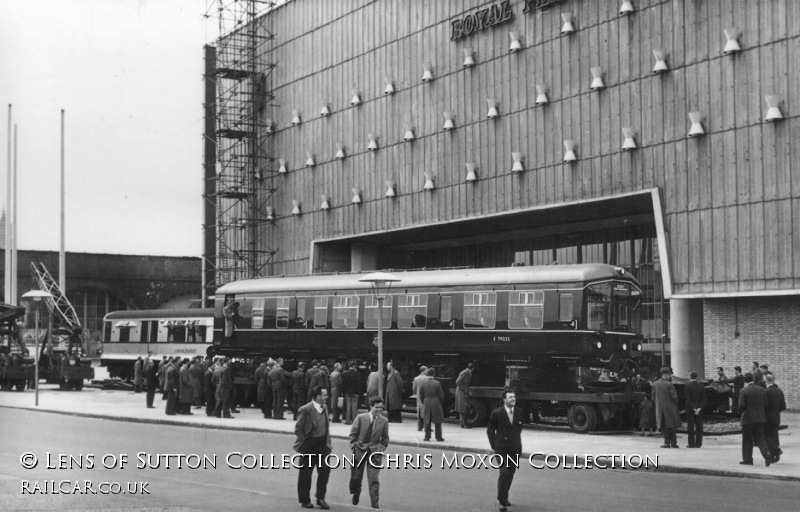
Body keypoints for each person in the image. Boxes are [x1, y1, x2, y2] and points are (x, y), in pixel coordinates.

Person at [294, 386, 332, 509]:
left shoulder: (325, 408)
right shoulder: (305, 409)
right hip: (309, 444)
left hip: (323, 444)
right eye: (324, 395)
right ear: (317, 396)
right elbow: (298, 429)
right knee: (306, 473)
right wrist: (305, 442)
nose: (327, 397)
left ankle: (320, 498)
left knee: (325, 471)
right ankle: (305, 500)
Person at [349, 396, 390, 508]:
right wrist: (354, 447)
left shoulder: (384, 421)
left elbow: (385, 439)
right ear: (371, 406)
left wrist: (380, 449)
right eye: (377, 407)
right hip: (359, 452)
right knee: (356, 478)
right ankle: (356, 494)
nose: (379, 410)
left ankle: (375, 504)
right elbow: (353, 435)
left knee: (373, 480)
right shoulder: (361, 418)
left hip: (374, 455)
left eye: (381, 408)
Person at [486, 389, 523, 512]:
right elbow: (490, 431)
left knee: (511, 473)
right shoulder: (497, 413)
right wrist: (494, 446)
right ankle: (502, 501)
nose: (513, 399)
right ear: (504, 399)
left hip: (515, 448)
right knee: (505, 472)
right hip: (502, 449)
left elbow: (518, 429)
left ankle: (505, 497)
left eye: (514, 397)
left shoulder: (519, 412)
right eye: (511, 397)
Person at [738, 372, 772, 466]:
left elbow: (741, 406)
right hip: (760, 418)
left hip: (748, 419)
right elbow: (766, 404)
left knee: (747, 440)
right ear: (752, 379)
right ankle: (766, 453)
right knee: (760, 438)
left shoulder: (743, 391)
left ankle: (747, 459)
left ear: (744, 380)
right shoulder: (762, 390)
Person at [652, 366, 680, 448]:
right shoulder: (669, 384)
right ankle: (674, 443)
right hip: (670, 407)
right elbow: (674, 396)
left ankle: (666, 443)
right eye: (669, 374)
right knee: (672, 426)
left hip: (660, 408)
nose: (670, 376)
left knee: (664, 426)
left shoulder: (655, 384)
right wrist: (676, 404)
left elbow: (653, 397)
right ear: (664, 375)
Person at [764, 373, 786, 463]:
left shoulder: (765, 392)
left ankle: (776, 450)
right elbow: (783, 406)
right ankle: (775, 454)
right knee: (774, 435)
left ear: (766, 381)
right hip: (776, 416)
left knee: (766, 436)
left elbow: (764, 405)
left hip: (767, 417)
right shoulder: (779, 391)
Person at [418, 367, 444, 442]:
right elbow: (441, 395)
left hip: (426, 401)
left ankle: (427, 437)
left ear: (427, 373)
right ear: (434, 374)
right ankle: (439, 437)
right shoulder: (437, 383)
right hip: (436, 402)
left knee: (427, 420)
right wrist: (440, 402)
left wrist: (424, 401)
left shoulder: (423, 383)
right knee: (437, 421)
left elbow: (421, 394)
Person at [684, 371, 706, 448]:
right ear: (696, 377)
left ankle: (691, 444)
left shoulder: (687, 386)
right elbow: (704, 398)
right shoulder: (701, 386)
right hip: (699, 408)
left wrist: (693, 408)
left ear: (690, 377)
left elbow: (688, 398)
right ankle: (698, 443)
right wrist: (699, 408)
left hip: (690, 408)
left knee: (690, 426)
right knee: (699, 426)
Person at [456, 362, 474, 428]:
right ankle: (463, 424)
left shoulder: (467, 372)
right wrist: (465, 390)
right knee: (463, 407)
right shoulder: (465, 372)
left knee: (465, 407)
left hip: (463, 390)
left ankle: (464, 423)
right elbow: (458, 382)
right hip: (461, 391)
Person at [412, 365, 429, 431]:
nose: (427, 371)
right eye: (426, 370)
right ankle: (426, 426)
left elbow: (414, 389)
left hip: (418, 397)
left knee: (419, 412)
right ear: (424, 370)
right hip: (426, 397)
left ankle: (419, 426)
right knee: (426, 412)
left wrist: (417, 393)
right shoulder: (427, 378)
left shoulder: (416, 378)